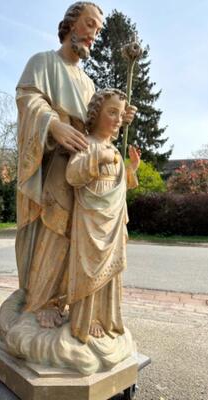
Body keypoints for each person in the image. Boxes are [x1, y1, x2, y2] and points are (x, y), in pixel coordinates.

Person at [15, 2, 137, 329]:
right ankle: (39, 302)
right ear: (70, 25)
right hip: (53, 165)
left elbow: (94, 126)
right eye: (89, 24)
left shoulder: (87, 83)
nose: (93, 35)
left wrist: (116, 117)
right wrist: (53, 125)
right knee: (54, 231)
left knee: (72, 239)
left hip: (81, 173)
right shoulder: (43, 62)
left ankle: (63, 301)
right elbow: (28, 100)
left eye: (97, 30)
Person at [66, 88, 141, 343]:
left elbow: (121, 185)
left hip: (113, 219)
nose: (118, 119)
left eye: (120, 114)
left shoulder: (115, 150)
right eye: (112, 112)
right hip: (90, 219)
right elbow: (72, 175)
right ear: (96, 114)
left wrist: (131, 169)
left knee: (110, 273)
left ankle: (106, 317)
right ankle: (87, 320)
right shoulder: (87, 143)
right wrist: (97, 157)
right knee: (90, 269)